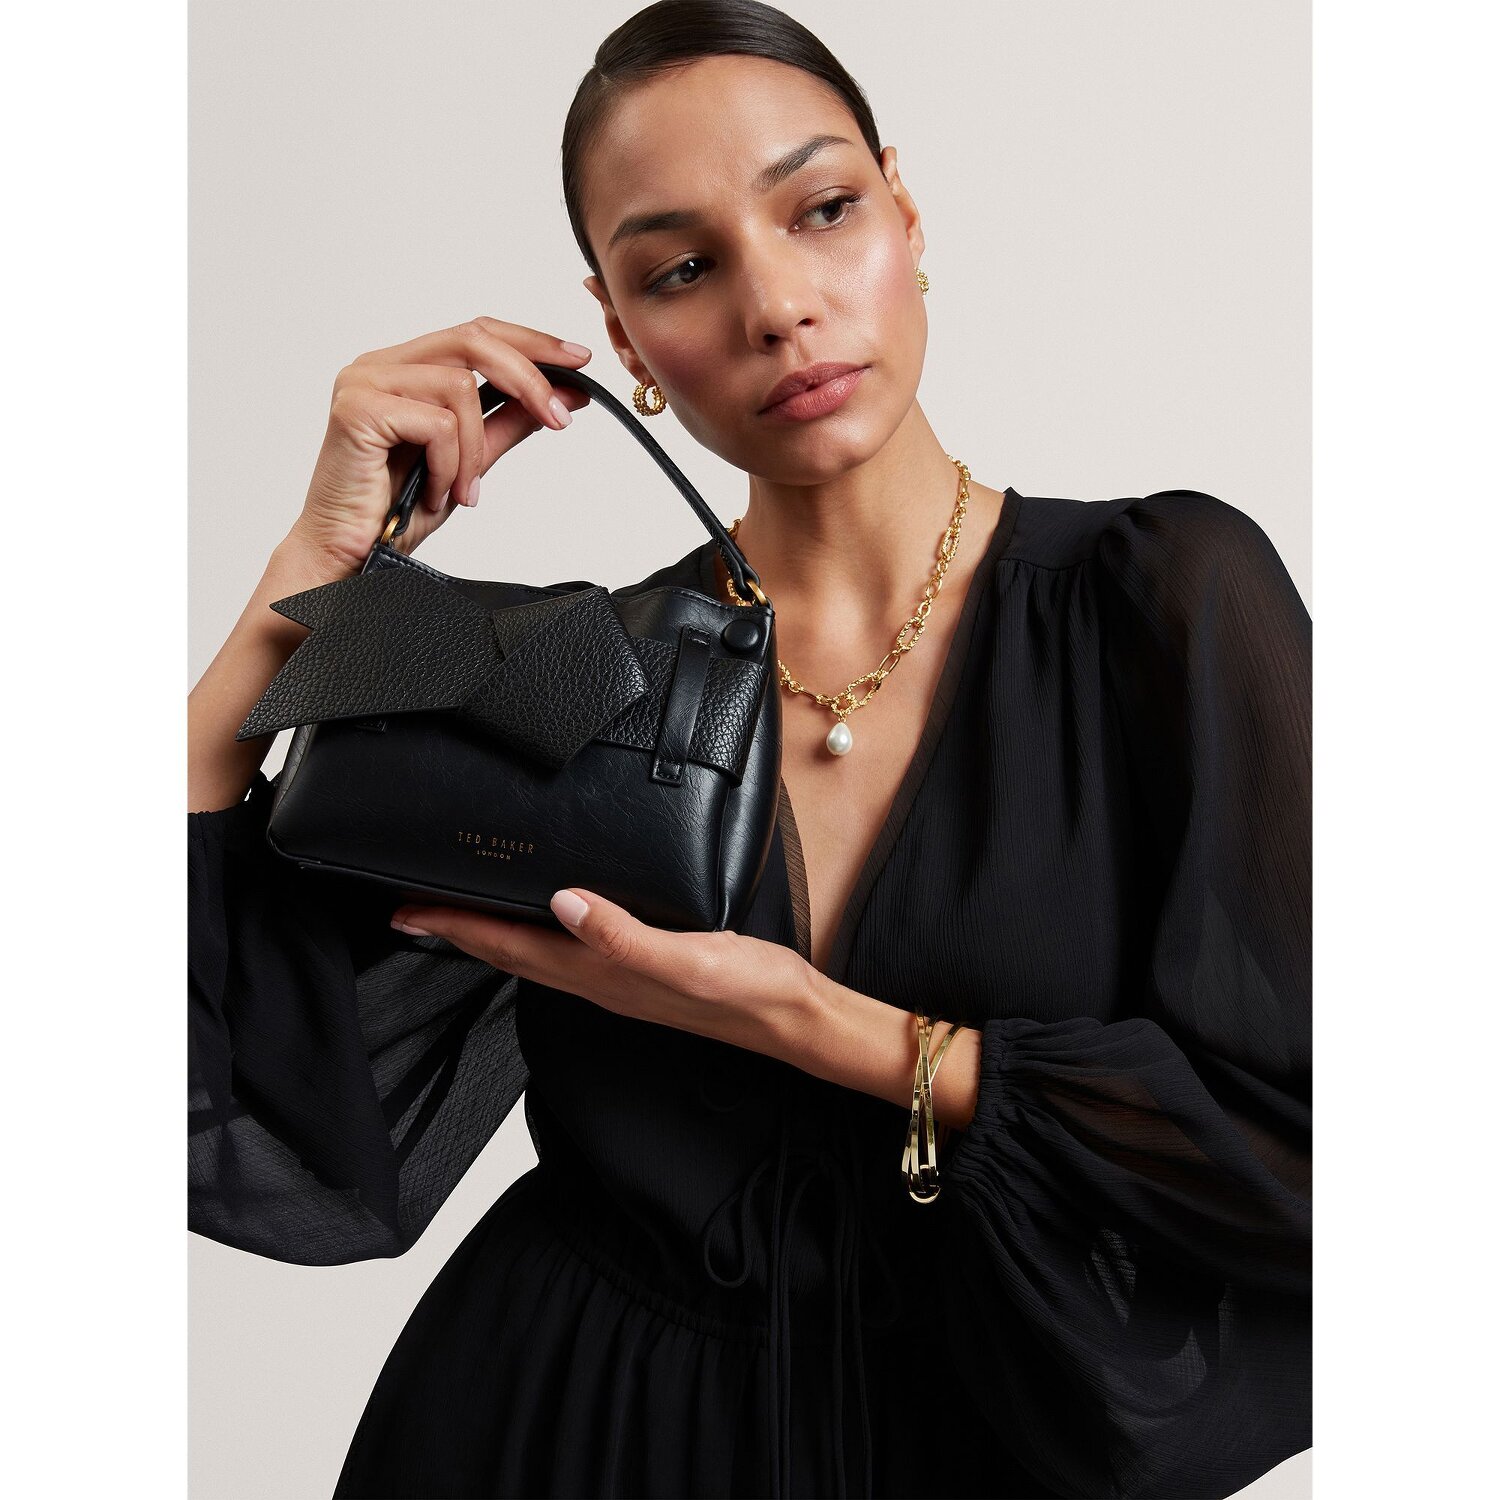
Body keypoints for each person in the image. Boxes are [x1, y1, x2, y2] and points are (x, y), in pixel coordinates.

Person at [188, 2, 1312, 1496]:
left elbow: (1321, 1154)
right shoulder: (575, 676)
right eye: (682, 269)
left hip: (971, 1448)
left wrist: (813, 1025)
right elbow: (229, 1088)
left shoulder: (1160, 606)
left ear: (905, 212)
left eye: (822, 209)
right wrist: (307, 576)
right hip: (562, 1437)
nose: (777, 306)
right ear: (625, 339)